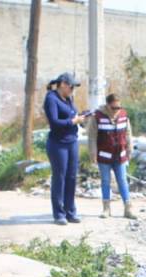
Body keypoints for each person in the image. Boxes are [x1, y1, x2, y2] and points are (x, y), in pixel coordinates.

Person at [44, 73, 88, 226]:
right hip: (58, 144)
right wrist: (73, 121)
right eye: (71, 86)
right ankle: (59, 214)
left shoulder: (69, 99)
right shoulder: (51, 98)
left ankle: (71, 211)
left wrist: (81, 118)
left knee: (71, 177)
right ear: (62, 84)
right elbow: (54, 122)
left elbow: (72, 116)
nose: (72, 89)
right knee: (60, 177)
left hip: (72, 142)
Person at [87, 93, 136, 220]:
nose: (116, 110)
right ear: (108, 106)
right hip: (104, 156)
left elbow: (128, 133)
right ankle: (106, 209)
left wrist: (130, 149)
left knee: (122, 180)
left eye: (119, 107)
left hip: (120, 156)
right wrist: (93, 153)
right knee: (105, 181)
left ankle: (128, 208)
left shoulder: (123, 115)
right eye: (114, 108)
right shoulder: (97, 117)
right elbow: (92, 137)